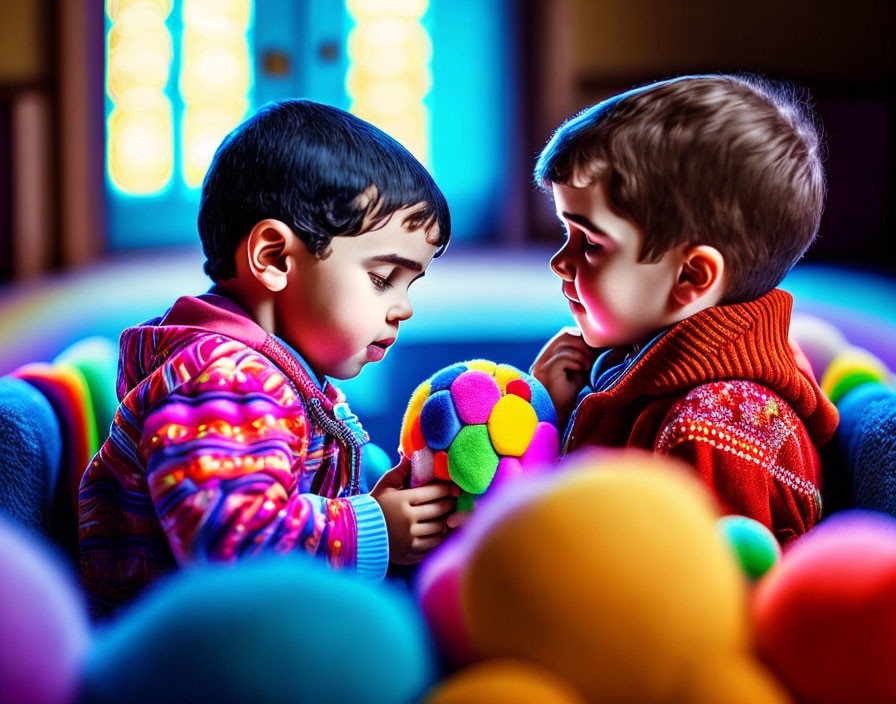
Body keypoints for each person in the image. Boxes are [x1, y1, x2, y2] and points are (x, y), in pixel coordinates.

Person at [79, 100, 456, 616]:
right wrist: (373, 528)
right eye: (381, 278)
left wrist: (369, 502)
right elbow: (231, 547)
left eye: (410, 284)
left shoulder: (275, 369)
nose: (404, 308)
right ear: (274, 258)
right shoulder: (227, 378)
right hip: (188, 647)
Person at [531, 75, 839, 544]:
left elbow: (687, 600)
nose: (560, 262)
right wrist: (550, 417)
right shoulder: (635, 357)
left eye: (589, 242)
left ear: (692, 279)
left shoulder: (714, 435)